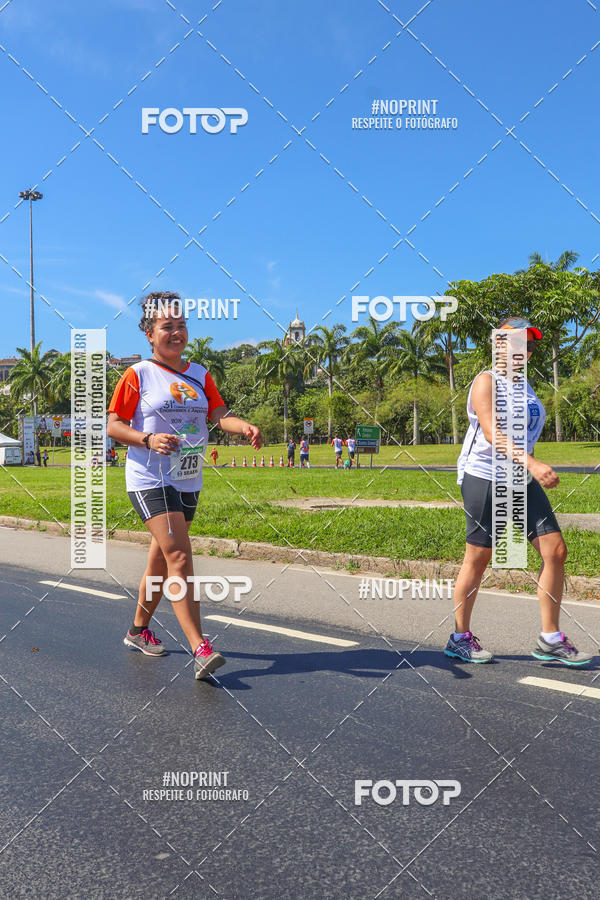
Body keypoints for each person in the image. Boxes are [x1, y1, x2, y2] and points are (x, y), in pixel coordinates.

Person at [107, 291, 263, 680]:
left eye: (181, 325)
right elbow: (112, 425)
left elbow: (219, 414)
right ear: (149, 333)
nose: (176, 333)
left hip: (188, 476)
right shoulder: (138, 374)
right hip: (149, 476)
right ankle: (201, 647)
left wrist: (242, 426)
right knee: (179, 556)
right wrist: (147, 439)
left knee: (161, 559)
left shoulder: (200, 374)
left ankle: (137, 631)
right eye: (166, 327)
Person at [446, 317, 593, 667]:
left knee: (555, 551)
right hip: (484, 476)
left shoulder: (525, 387)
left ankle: (550, 638)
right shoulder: (486, 381)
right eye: (517, 342)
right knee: (478, 559)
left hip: (518, 477)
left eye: (529, 344)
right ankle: (459, 637)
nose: (524, 350)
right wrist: (532, 464)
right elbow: (491, 433)